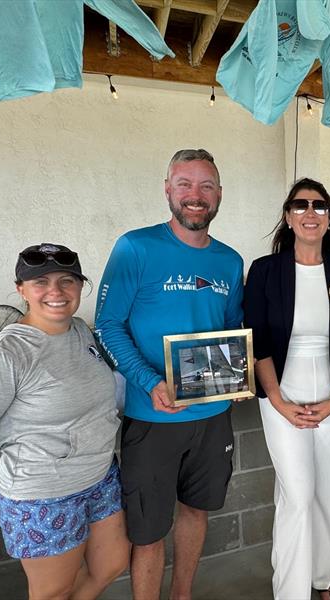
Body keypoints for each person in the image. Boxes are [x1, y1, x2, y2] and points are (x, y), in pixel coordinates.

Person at [0, 243, 128, 599]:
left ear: (80, 287)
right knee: (52, 591)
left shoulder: (81, 333)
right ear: (20, 289)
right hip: (44, 494)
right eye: (40, 281)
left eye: (67, 281)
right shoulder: (4, 355)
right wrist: (19, 445)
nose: (55, 291)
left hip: (100, 477)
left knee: (111, 564)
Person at [94, 149, 244, 599]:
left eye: (206, 186)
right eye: (185, 184)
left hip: (212, 415)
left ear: (219, 194)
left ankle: (182, 595)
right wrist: (149, 381)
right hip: (152, 418)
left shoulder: (230, 261)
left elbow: (233, 332)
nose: (195, 196)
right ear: (167, 190)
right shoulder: (135, 247)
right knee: (148, 531)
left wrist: (237, 378)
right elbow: (107, 325)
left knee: (197, 511)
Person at [243, 178, 330, 600]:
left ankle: (323, 578)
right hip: (282, 390)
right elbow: (255, 341)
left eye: (318, 205)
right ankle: (291, 592)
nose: (309, 212)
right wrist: (278, 400)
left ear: (329, 218)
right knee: (297, 494)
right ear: (288, 216)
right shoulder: (265, 270)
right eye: (300, 205)